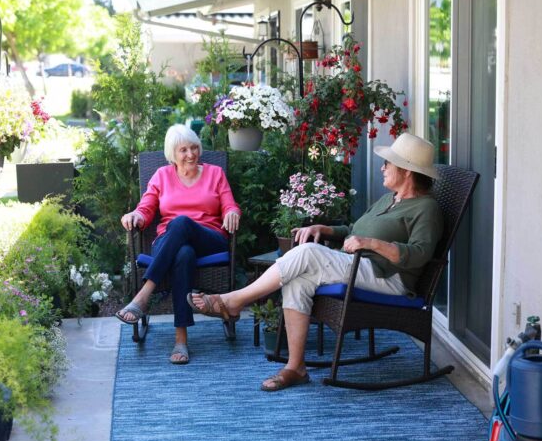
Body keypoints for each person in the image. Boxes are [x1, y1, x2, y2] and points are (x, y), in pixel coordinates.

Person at [188, 132, 443, 390]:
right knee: (298, 280)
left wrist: (370, 243)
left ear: (407, 171)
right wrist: (326, 228)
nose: (382, 167)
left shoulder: (426, 208)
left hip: (388, 278)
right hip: (357, 266)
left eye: (388, 163)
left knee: (308, 253)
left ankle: (235, 300)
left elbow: (420, 253)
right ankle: (295, 367)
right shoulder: (388, 200)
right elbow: (355, 228)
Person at [116, 124, 241, 364]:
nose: (191, 154)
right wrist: (135, 216)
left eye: (194, 148)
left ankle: (144, 294)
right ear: (172, 154)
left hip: (209, 238)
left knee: (182, 222)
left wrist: (233, 212)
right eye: (183, 150)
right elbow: (146, 207)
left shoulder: (215, 173)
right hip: (169, 243)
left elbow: (229, 204)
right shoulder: (162, 176)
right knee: (183, 253)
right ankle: (181, 340)